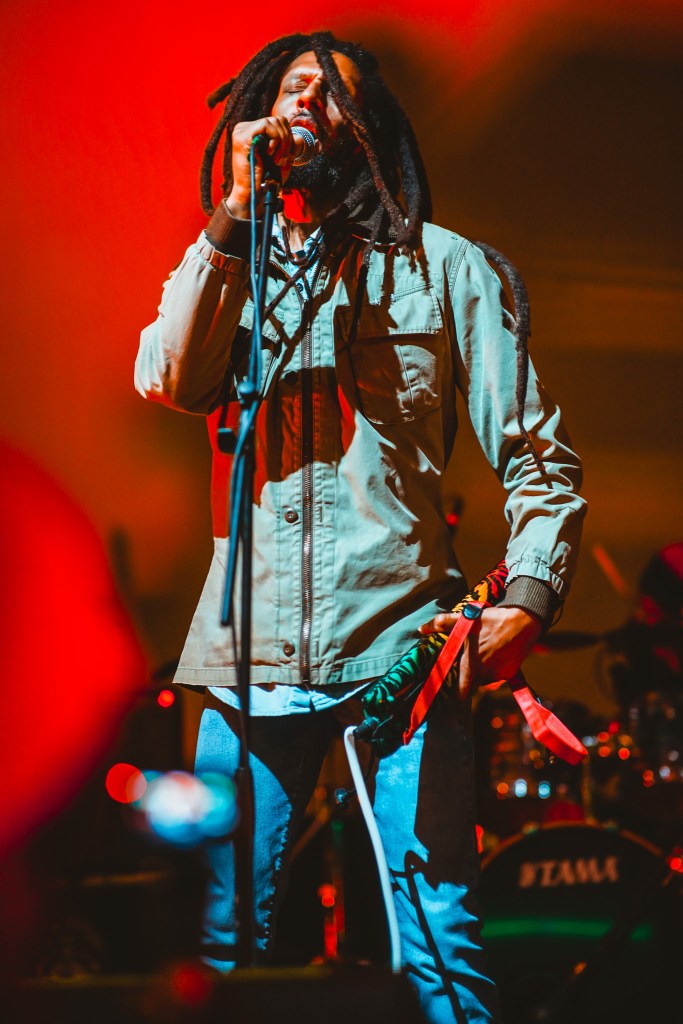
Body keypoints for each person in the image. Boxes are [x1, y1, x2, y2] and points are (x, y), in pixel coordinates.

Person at [135, 30, 586, 1023]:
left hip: (400, 656)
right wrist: (234, 214)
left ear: (369, 129)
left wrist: (527, 598)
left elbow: (537, 457)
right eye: (291, 88)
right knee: (218, 947)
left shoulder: (446, 268)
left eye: (332, 93)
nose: (307, 103)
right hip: (246, 660)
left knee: (435, 934)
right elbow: (170, 377)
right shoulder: (225, 264)